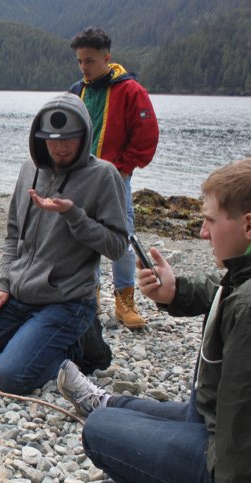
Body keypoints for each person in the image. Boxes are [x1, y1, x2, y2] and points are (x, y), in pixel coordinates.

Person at [57, 158, 251, 483]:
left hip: (236, 481)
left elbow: (244, 441)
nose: (202, 232)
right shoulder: (250, 278)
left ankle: (104, 409)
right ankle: (107, 400)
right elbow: (224, 289)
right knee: (141, 413)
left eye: (211, 221)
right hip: (215, 420)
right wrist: (175, 292)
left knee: (100, 429)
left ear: (250, 225)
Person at [0, 93, 128, 394]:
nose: (61, 147)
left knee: (10, 377)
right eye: (52, 139)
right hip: (20, 296)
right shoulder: (28, 170)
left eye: (70, 139)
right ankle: (34, 339)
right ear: (39, 137)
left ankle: (81, 345)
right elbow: (12, 233)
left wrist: (73, 215)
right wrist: (3, 285)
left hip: (67, 301)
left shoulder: (103, 175)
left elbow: (117, 246)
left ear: (84, 136)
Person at [69, 27, 159, 329]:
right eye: (80, 61)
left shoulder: (131, 90)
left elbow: (146, 136)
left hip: (115, 179)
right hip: (80, 178)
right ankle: (88, 297)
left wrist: (122, 168)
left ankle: (124, 301)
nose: (84, 67)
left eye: (90, 61)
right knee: (83, 238)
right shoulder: (76, 91)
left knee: (121, 240)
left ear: (107, 57)